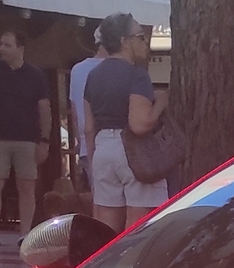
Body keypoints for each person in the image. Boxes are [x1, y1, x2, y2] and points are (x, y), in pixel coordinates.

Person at [0, 30, 52, 248]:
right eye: (1, 44)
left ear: (20, 48)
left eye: (7, 45)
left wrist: (44, 140)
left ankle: (25, 234)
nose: (2, 49)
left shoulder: (36, 75)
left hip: (28, 138)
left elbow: (44, 108)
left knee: (26, 186)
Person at [85, 13, 164, 227]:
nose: (144, 42)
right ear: (124, 42)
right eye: (140, 36)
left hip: (102, 149)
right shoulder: (137, 75)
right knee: (138, 223)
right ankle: (133, 262)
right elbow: (140, 124)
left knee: (106, 223)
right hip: (131, 150)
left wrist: (93, 160)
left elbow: (89, 127)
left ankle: (108, 261)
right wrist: (161, 103)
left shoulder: (93, 76)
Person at [68, 27, 119, 197]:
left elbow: (75, 112)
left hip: (86, 146)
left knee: (100, 200)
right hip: (117, 144)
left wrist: (80, 142)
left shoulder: (77, 70)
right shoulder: (120, 68)